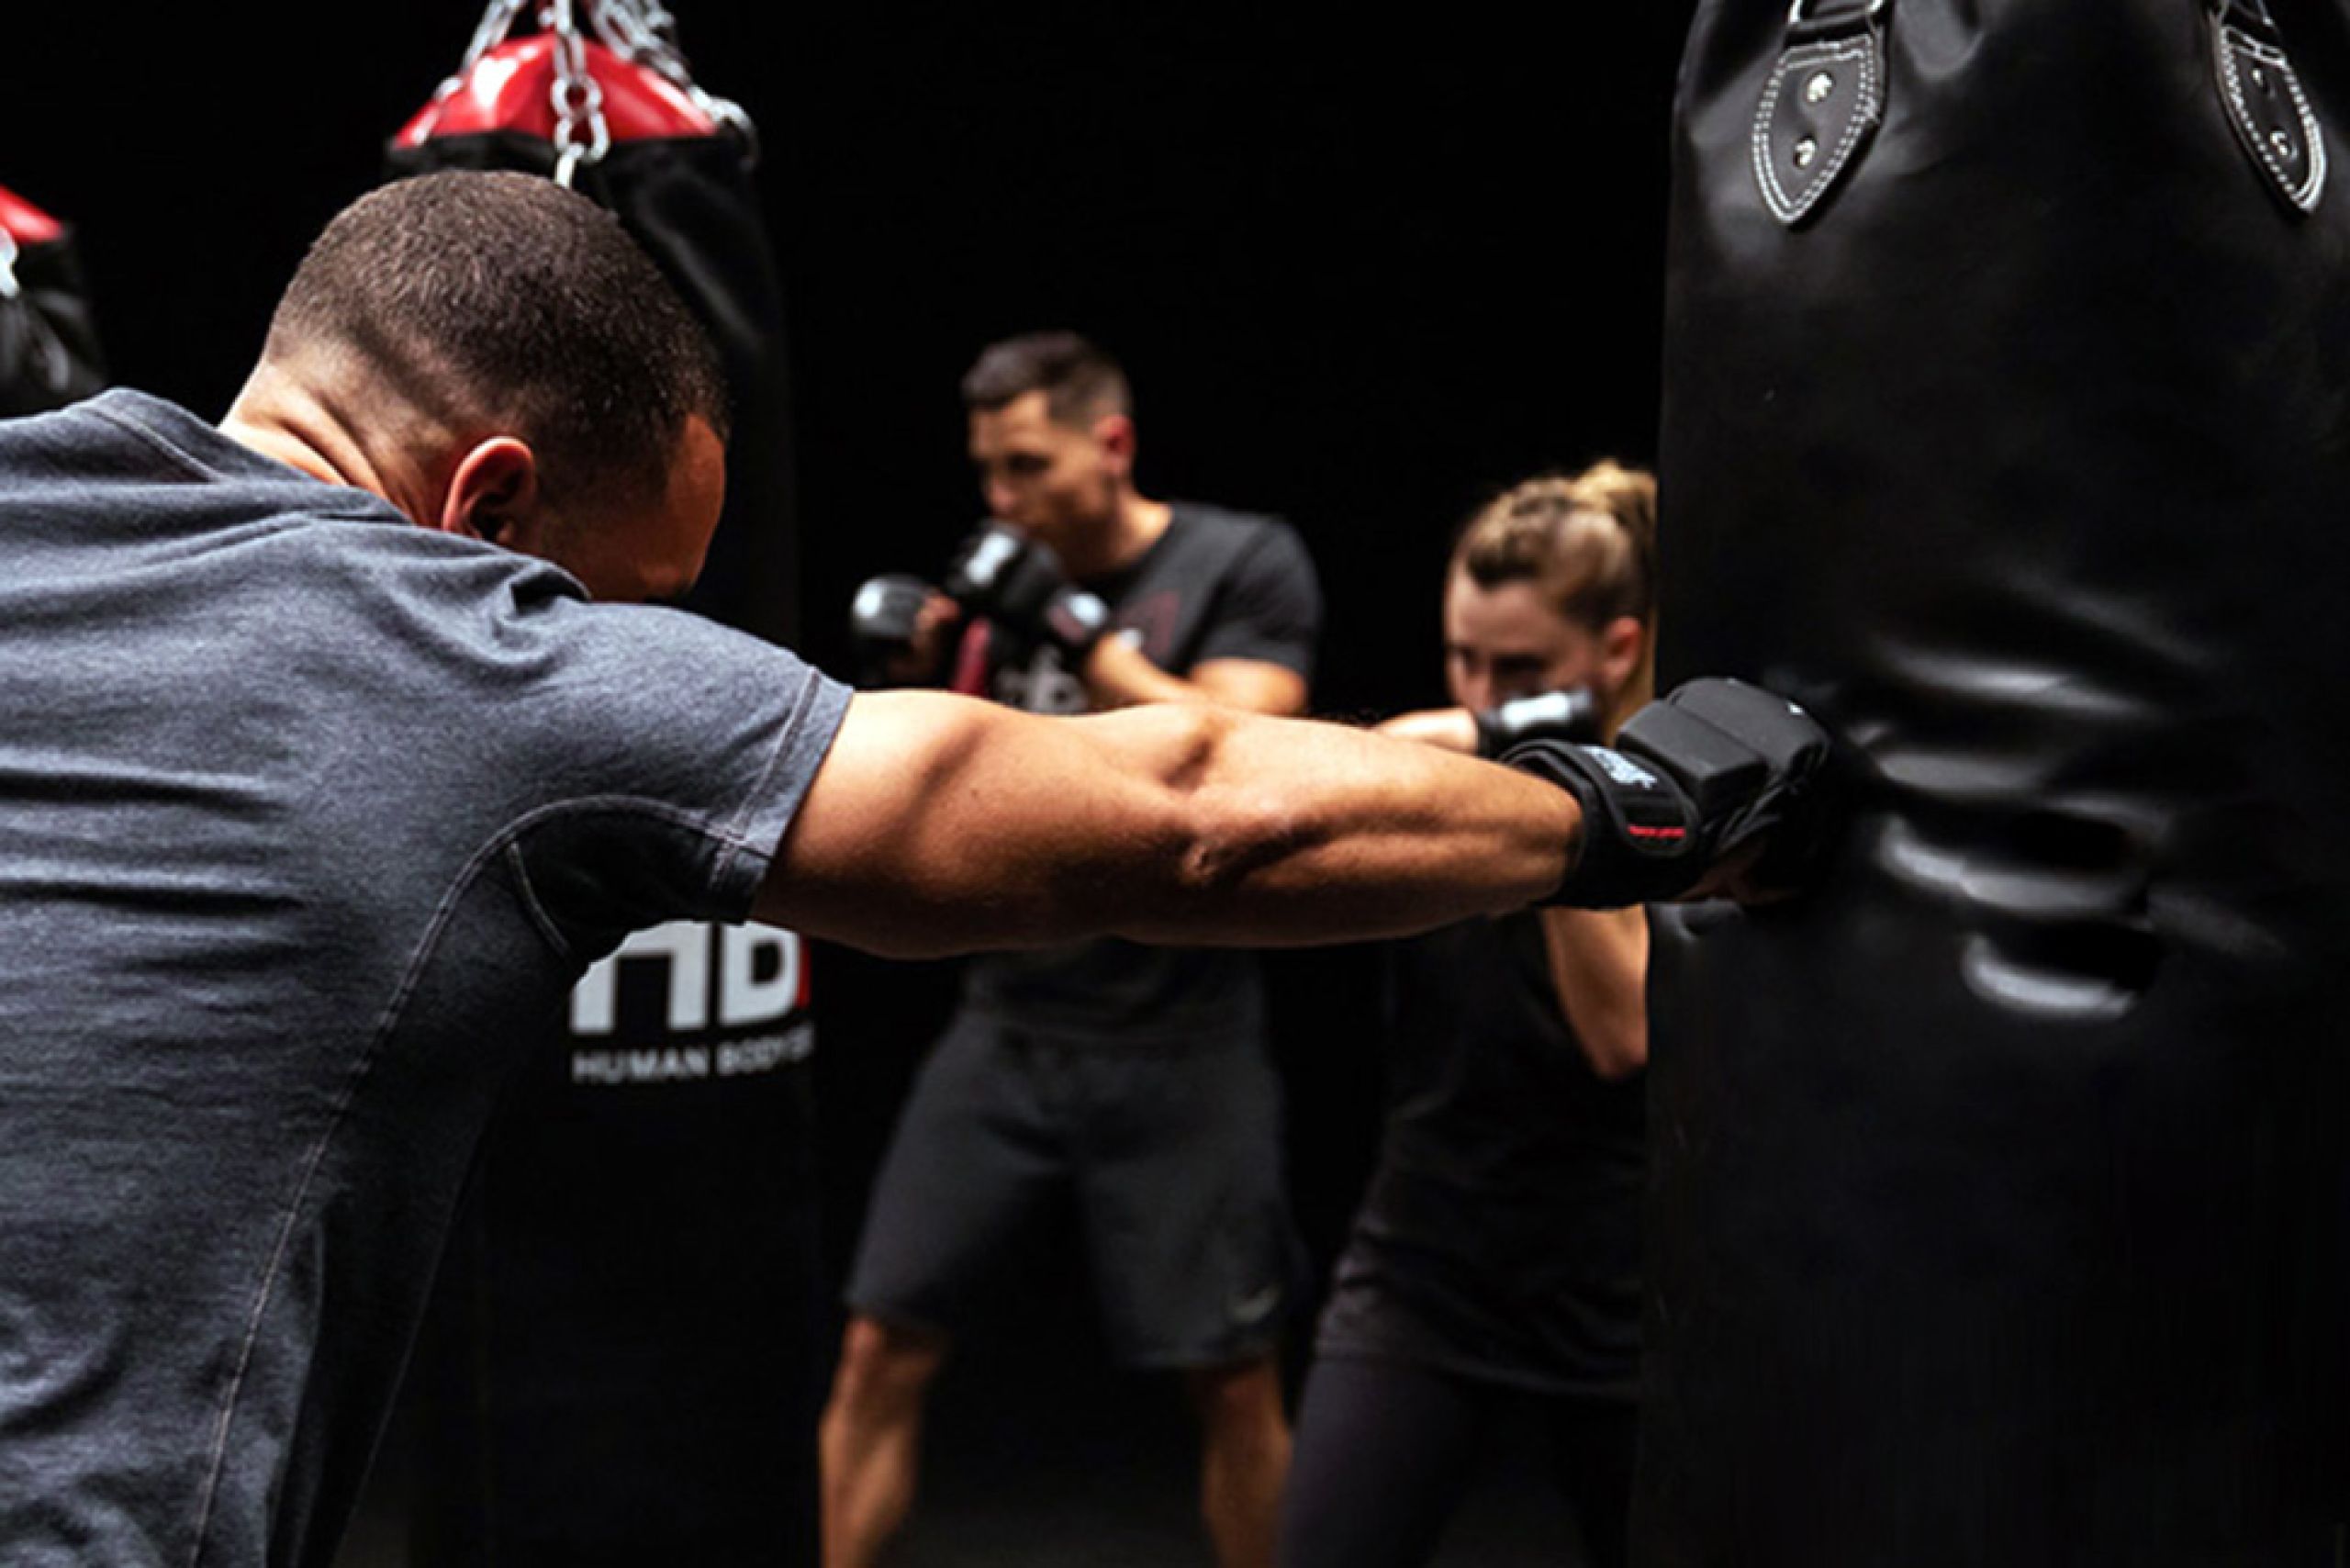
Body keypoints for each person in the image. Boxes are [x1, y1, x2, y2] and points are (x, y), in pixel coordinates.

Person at [0, 169, 1817, 1568]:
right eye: (616, 607)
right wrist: (1634, 809)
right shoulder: (457, 648)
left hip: (1165, 1054)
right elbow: (1187, 803)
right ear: (485, 510)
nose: (608, 651)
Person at [820, 331, 1317, 1568]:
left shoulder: (1239, 560)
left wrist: (1072, 623)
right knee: (880, 1345)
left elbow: (1240, 749)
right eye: (988, 472)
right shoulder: (1000, 588)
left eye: (1029, 466)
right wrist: (911, 674)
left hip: (1179, 1038)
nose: (1004, 501)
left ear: (1113, 446)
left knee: (1235, 1381)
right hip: (1009, 1027)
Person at [1280, 464, 1657, 1568]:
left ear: (1617, 650)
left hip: (1624, 1291)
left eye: (1524, 669)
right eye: (1466, 659)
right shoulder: (1450, 750)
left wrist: (1555, 802)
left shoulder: (1671, 794)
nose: (1490, 693)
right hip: (1428, 1267)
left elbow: (1620, 1037)